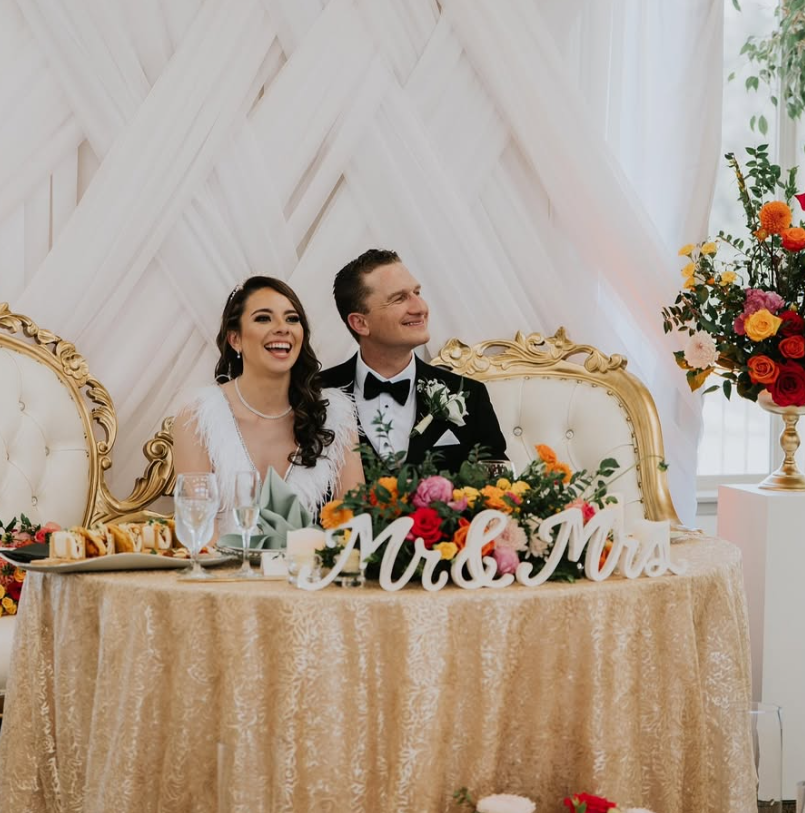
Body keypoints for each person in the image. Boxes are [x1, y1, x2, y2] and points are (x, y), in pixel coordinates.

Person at [173, 276, 364, 536]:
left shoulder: (334, 416)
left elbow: (352, 523)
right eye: (263, 318)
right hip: (221, 572)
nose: (282, 328)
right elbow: (198, 529)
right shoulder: (197, 416)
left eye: (292, 319)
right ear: (235, 339)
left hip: (308, 572)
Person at [319, 249, 507, 474]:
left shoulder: (469, 395)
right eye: (399, 298)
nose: (420, 308)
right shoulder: (314, 394)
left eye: (417, 292)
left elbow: (499, 487)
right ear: (360, 323)